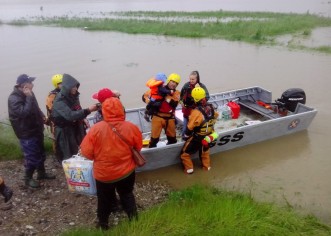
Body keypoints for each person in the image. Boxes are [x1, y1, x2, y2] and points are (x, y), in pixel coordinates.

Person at [80, 97, 142, 230]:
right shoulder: (131, 127)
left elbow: (86, 153)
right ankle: (134, 220)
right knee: (127, 194)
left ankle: (103, 225)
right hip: (126, 172)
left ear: (104, 112)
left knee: (104, 200)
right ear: (121, 110)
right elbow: (138, 147)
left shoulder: (95, 130)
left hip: (104, 175)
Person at [8, 74, 56, 188]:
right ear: (24, 85)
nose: (33, 84)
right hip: (26, 133)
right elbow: (23, 113)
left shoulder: (30, 93)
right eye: (31, 82)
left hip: (36, 129)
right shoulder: (13, 98)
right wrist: (28, 97)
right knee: (32, 157)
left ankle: (41, 173)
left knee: (40, 153)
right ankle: (27, 178)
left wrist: (42, 116)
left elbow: (35, 107)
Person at [51, 73, 98, 162]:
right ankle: (70, 171)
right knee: (68, 154)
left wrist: (83, 118)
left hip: (76, 127)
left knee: (82, 149)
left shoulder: (74, 96)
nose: (75, 89)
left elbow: (78, 108)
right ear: (67, 88)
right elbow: (70, 115)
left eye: (76, 87)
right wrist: (88, 110)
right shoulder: (58, 101)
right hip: (64, 130)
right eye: (73, 87)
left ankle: (82, 167)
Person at [180, 87, 218, 174]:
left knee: (184, 154)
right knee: (205, 153)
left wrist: (186, 136)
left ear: (195, 99)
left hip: (198, 137)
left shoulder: (196, 112)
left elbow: (190, 127)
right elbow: (215, 117)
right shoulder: (211, 107)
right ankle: (207, 168)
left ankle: (189, 170)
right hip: (209, 135)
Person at [142, 73, 181, 148]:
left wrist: (165, 96)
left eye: (176, 83)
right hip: (157, 116)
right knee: (154, 139)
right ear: (168, 81)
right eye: (172, 82)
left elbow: (174, 104)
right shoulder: (158, 88)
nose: (174, 84)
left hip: (170, 118)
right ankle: (152, 151)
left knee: (172, 139)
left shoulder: (176, 93)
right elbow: (144, 96)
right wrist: (150, 102)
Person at [180, 70, 210, 139]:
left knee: (196, 127)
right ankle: (184, 138)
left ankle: (195, 138)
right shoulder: (186, 86)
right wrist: (181, 103)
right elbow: (181, 97)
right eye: (190, 79)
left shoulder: (202, 86)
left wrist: (198, 91)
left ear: (197, 79)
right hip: (187, 110)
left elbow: (207, 97)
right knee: (185, 127)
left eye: (193, 79)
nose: (191, 81)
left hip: (197, 111)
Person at [45, 74, 63, 162]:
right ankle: (58, 156)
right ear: (56, 84)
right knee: (56, 139)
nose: (63, 85)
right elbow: (50, 109)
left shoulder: (64, 92)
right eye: (60, 83)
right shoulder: (52, 95)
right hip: (54, 121)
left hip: (63, 120)